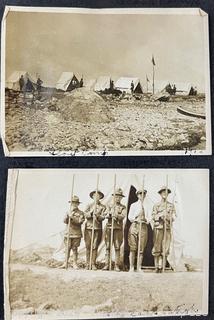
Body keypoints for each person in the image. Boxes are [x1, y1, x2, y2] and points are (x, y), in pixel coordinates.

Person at [152, 186, 176, 273]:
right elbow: (153, 216)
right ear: (160, 194)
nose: (165, 194)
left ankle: (162, 267)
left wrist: (168, 216)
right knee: (156, 247)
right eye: (163, 192)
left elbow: (174, 217)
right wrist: (161, 215)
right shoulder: (156, 205)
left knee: (165, 248)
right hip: (158, 228)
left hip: (167, 228)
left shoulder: (171, 205)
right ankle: (156, 267)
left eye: (166, 193)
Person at [102, 188, 126, 271]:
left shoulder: (123, 207)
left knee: (117, 247)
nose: (118, 198)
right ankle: (106, 264)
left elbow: (123, 216)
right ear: (114, 197)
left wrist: (115, 215)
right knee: (108, 247)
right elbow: (104, 214)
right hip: (109, 227)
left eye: (119, 197)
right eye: (116, 197)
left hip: (118, 229)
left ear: (121, 198)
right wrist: (109, 214)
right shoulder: (109, 205)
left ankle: (116, 265)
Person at [61, 195, 85, 269]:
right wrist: (68, 216)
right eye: (73, 203)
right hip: (68, 232)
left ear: (78, 204)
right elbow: (65, 221)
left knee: (75, 249)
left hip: (76, 233)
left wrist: (72, 217)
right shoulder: (68, 212)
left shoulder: (81, 213)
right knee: (67, 248)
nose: (74, 204)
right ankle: (65, 263)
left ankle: (75, 263)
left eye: (76, 203)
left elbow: (80, 222)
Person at [84, 190, 106, 270]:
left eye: (98, 195)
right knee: (88, 246)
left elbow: (103, 217)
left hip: (97, 228)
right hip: (89, 228)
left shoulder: (103, 207)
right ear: (92, 196)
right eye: (95, 195)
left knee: (95, 246)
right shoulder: (89, 205)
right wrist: (91, 212)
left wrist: (97, 215)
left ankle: (93, 263)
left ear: (100, 197)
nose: (96, 197)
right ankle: (87, 263)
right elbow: (85, 215)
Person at [128, 189, 148, 272]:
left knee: (141, 248)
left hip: (143, 227)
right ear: (137, 195)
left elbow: (150, 217)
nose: (142, 195)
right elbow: (130, 217)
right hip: (135, 226)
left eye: (143, 194)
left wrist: (146, 220)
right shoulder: (133, 205)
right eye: (140, 194)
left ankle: (139, 267)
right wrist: (136, 219)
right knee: (133, 247)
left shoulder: (147, 206)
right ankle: (131, 267)